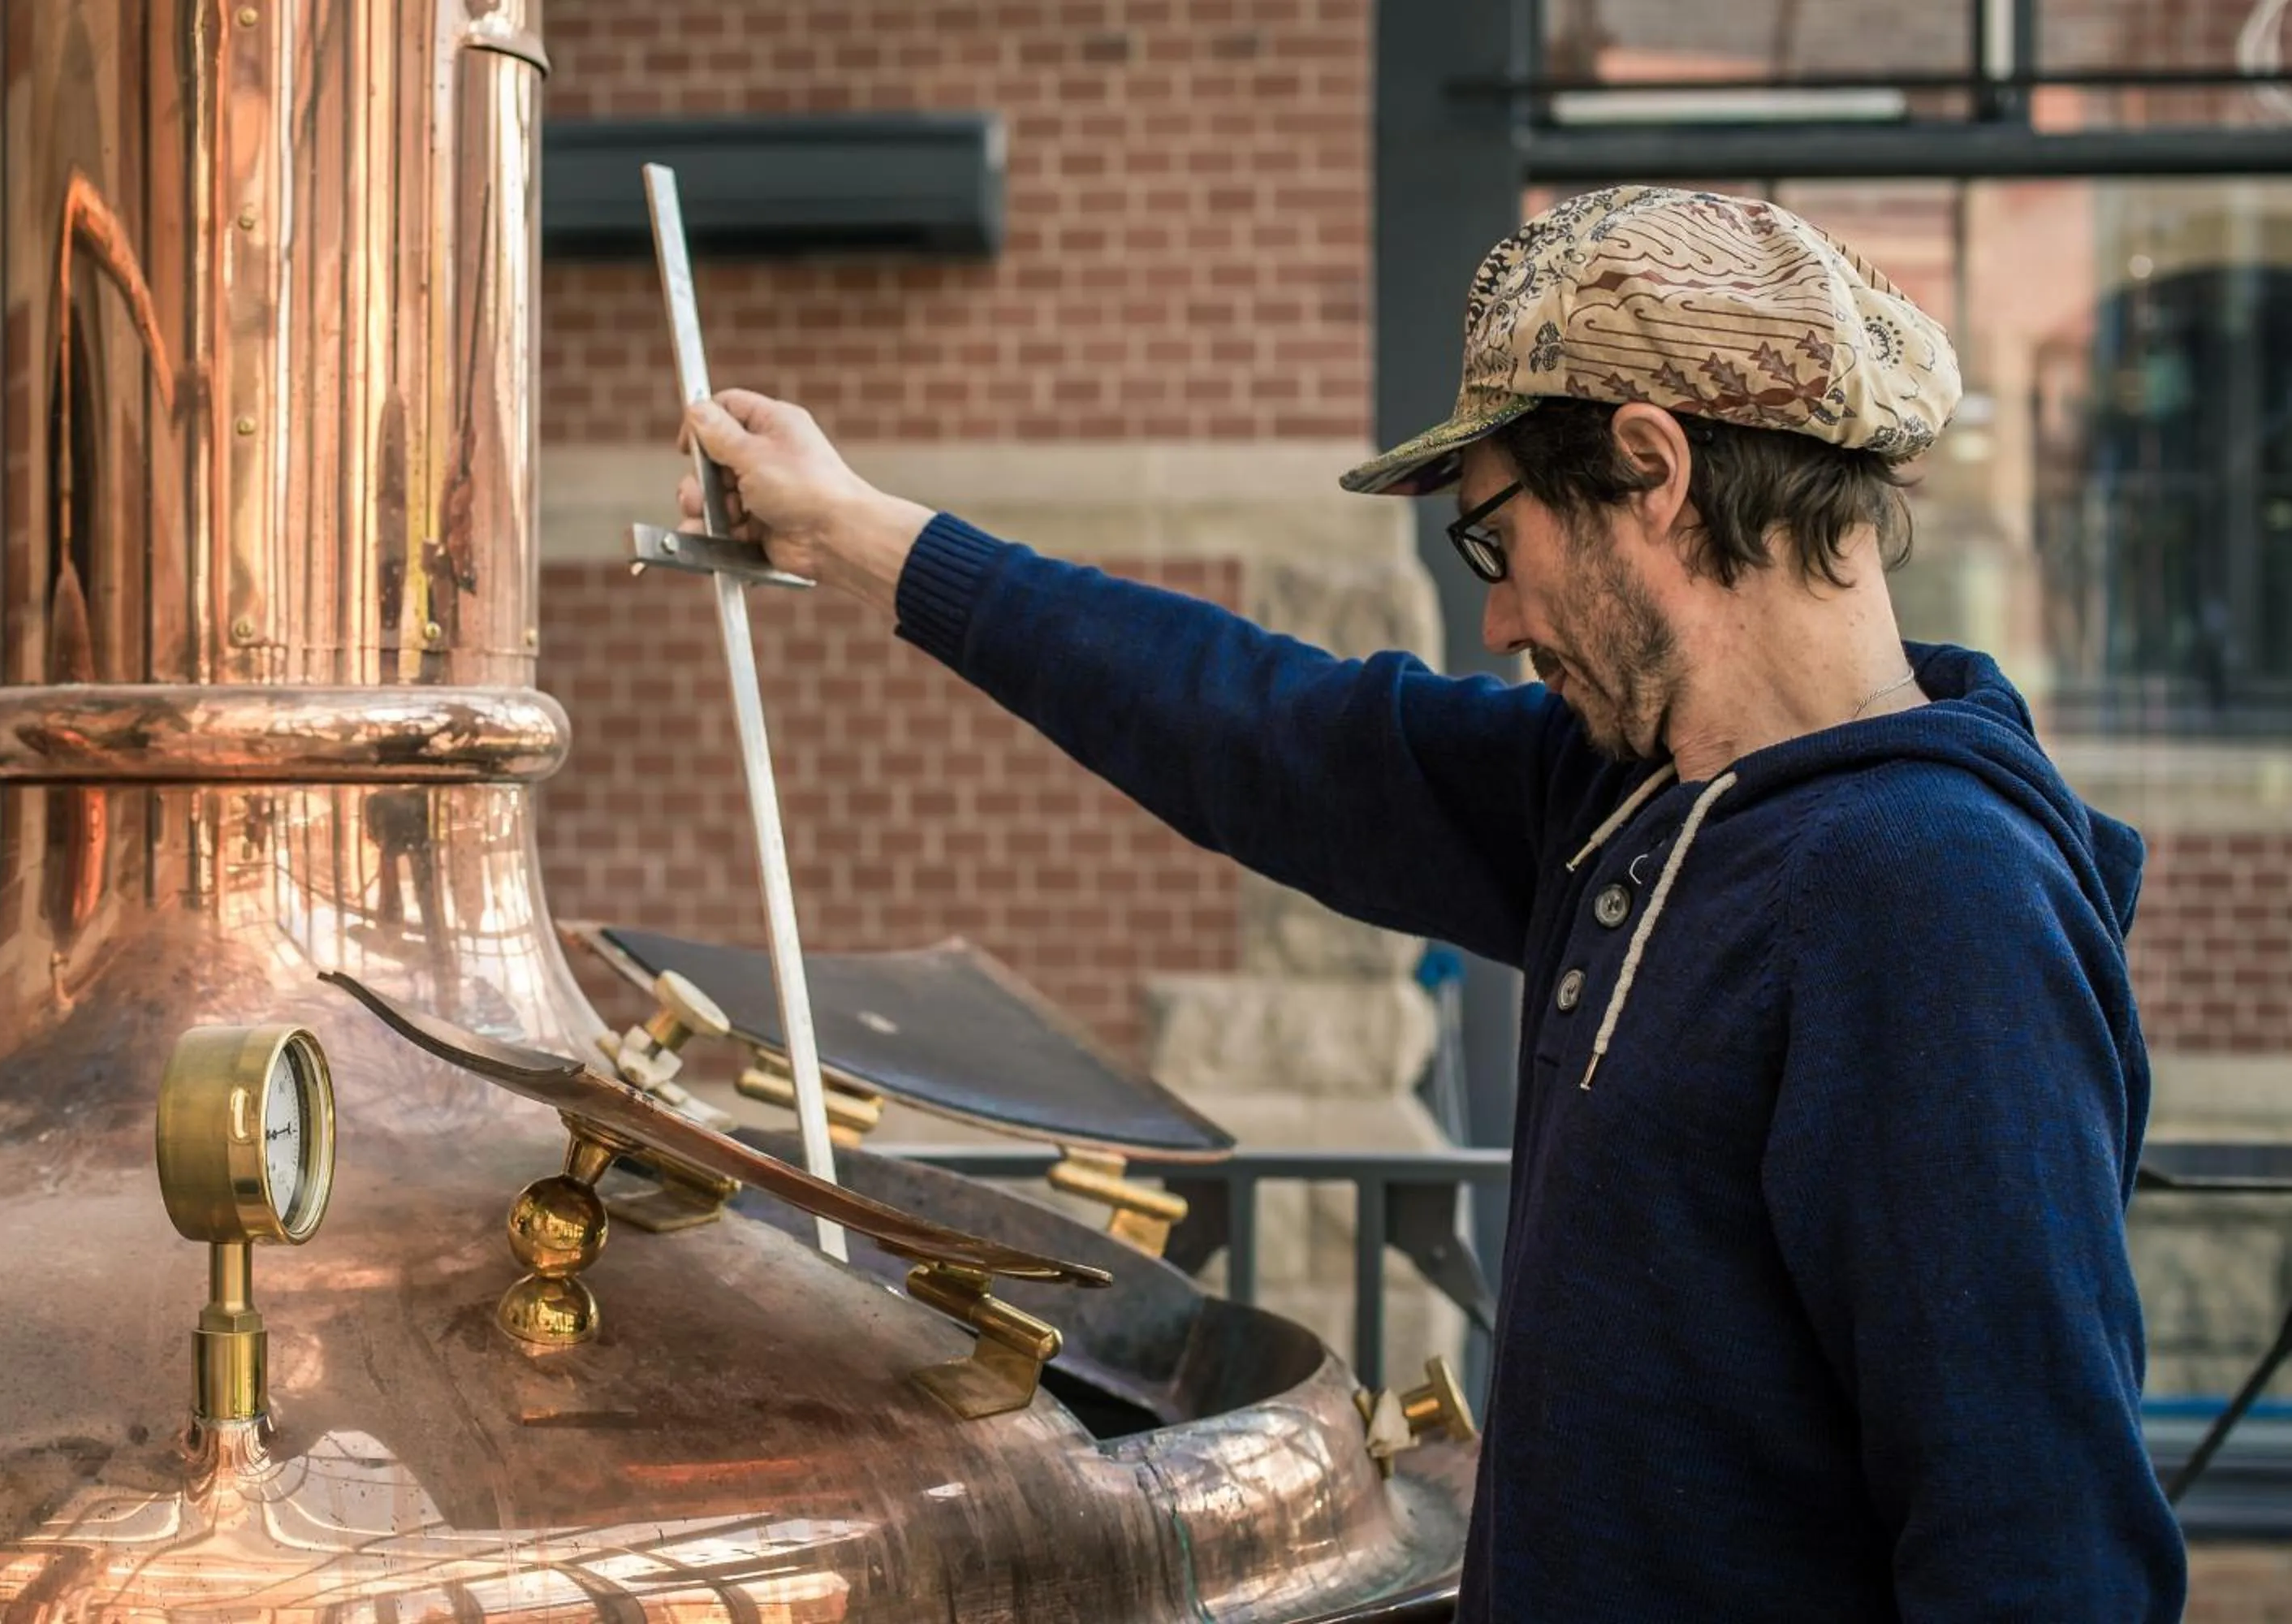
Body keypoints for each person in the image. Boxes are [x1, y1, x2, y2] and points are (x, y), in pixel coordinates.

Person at [676, 185, 2188, 1621]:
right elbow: (1264, 730)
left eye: (1498, 537)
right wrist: (857, 533)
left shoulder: (1930, 898)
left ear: (1652, 471)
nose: (1500, 616)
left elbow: (2042, 1548)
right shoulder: (1627, 791)